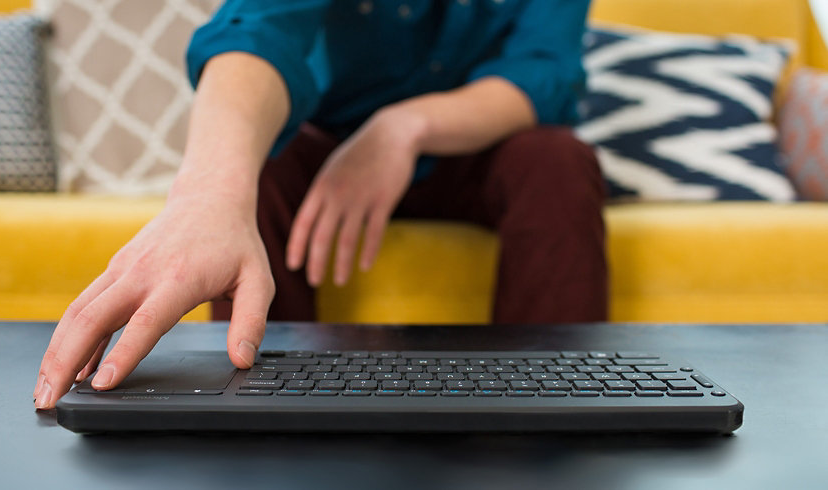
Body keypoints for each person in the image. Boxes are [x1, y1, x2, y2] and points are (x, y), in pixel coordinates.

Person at [34, 0, 606, 410]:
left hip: (473, 147)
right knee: (268, 163)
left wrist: (403, 127)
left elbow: (545, 70)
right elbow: (261, 27)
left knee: (559, 160)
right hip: (325, 151)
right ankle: (262, 410)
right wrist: (206, 197)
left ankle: (552, 421)